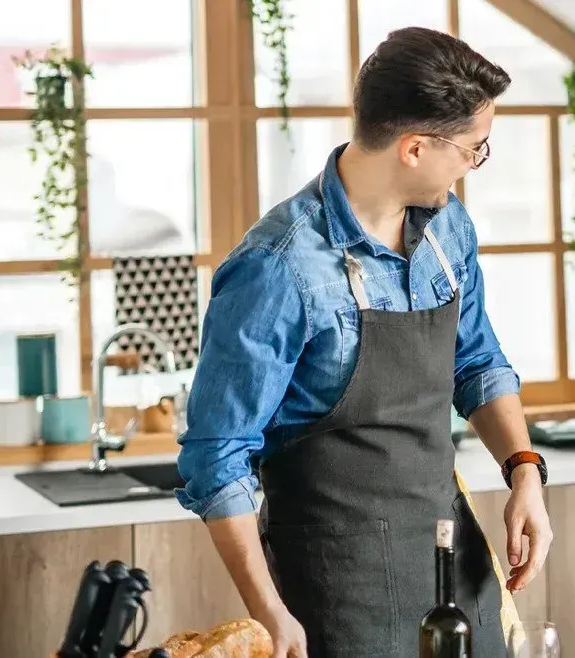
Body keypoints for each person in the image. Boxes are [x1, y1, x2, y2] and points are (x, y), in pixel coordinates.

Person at [175, 27, 553, 658]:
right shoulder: (280, 266)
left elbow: (477, 360)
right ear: (413, 148)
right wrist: (269, 612)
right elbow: (217, 459)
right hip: (334, 589)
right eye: (472, 150)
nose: (473, 166)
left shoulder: (446, 228)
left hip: (449, 564)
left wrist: (524, 471)